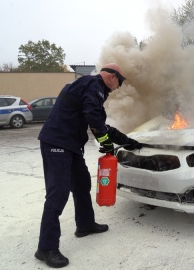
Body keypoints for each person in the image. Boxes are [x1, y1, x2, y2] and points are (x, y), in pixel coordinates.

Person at [34, 63, 142, 268]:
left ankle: (85, 225)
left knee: (82, 184)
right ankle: (46, 248)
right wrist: (106, 144)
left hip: (70, 146)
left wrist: (128, 141)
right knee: (57, 194)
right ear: (111, 76)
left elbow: (101, 123)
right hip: (57, 143)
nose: (118, 87)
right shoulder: (94, 84)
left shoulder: (89, 87)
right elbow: (93, 117)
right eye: (119, 81)